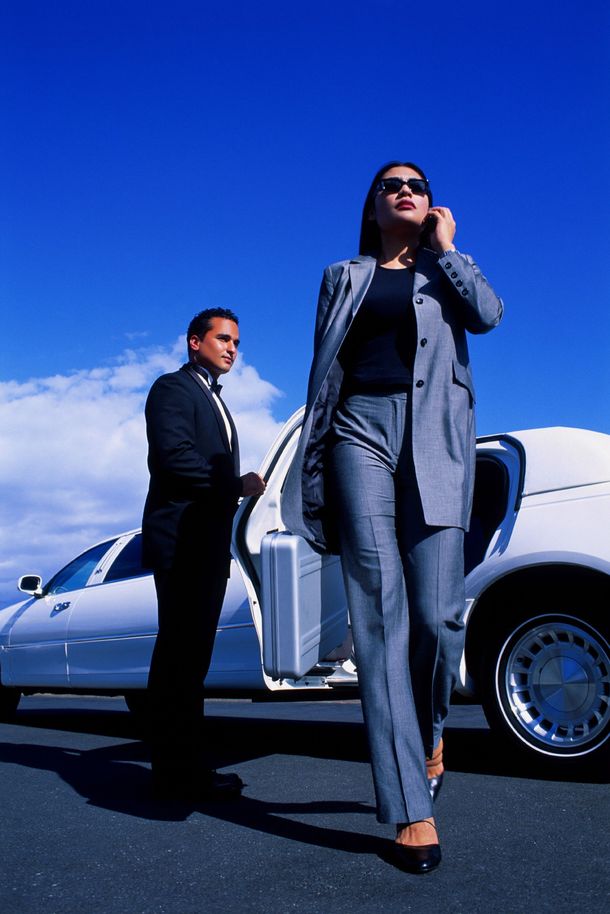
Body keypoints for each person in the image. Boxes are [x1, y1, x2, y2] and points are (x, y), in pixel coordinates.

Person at [282, 162, 503, 872]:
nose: (406, 191)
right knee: (378, 613)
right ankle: (411, 805)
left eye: (418, 186)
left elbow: (490, 316)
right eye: (391, 186)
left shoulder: (446, 272)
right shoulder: (341, 276)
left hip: (436, 437)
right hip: (358, 434)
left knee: (439, 616)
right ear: (373, 208)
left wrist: (447, 247)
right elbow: (325, 370)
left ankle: (431, 732)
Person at [142, 308, 265, 801]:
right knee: (177, 659)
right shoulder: (172, 388)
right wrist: (236, 485)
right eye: (222, 339)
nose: (232, 347)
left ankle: (184, 769)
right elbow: (172, 459)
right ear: (194, 342)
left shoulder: (217, 401)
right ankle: (173, 775)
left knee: (191, 663)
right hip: (181, 542)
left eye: (236, 341)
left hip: (208, 545)